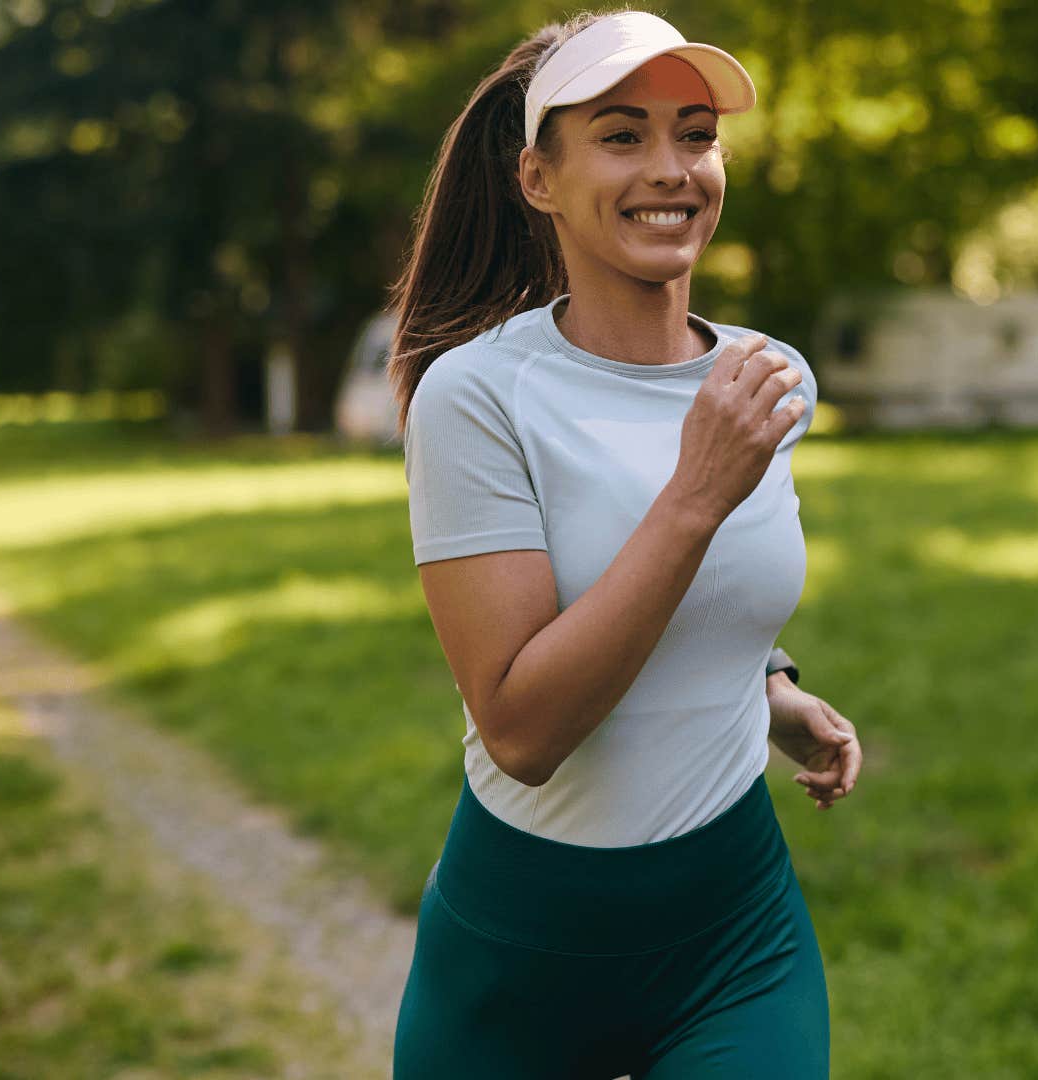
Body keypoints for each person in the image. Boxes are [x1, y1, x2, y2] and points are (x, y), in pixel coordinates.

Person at [385, 9, 863, 1077]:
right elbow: (522, 727)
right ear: (537, 178)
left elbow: (717, 597)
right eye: (620, 135)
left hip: (734, 935)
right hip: (523, 956)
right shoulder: (477, 399)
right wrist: (693, 495)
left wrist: (767, 686)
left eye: (695, 134)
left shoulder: (767, 379)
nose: (671, 169)